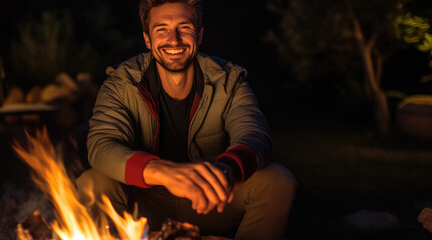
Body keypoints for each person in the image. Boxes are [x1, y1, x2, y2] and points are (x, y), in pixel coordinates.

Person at [77, 0, 297, 239]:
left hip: (212, 196)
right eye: (162, 30)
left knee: (277, 180)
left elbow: (255, 135)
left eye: (184, 28)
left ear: (199, 35)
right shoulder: (122, 83)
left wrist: (226, 169)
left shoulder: (229, 80)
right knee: (93, 182)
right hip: (144, 203)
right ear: (147, 39)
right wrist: (164, 172)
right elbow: (102, 144)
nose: (174, 39)